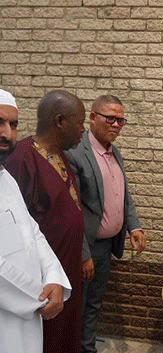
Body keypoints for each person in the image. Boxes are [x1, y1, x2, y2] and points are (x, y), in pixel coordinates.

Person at [5, 90, 86, 353]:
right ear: (60, 121)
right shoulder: (21, 160)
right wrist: (38, 293)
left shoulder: (5, 177)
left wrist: (54, 278)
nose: (7, 133)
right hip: (21, 299)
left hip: (49, 286)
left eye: (13, 124)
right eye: (0, 122)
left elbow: (32, 231)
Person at [65, 94, 146, 353]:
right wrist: (82, 254)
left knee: (93, 305)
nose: (116, 125)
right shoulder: (76, 154)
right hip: (85, 249)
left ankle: (87, 349)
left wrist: (134, 226)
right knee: (76, 306)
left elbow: (122, 194)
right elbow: (72, 210)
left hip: (106, 246)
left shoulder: (115, 152)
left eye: (121, 120)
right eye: (110, 118)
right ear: (92, 117)